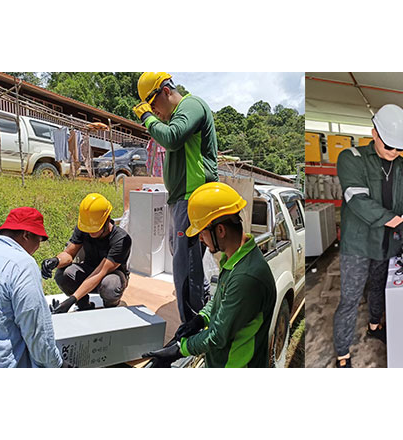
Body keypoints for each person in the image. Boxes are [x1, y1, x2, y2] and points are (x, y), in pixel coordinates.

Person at [333, 104, 403, 368]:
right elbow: (358, 199)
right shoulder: (351, 158)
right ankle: (342, 351)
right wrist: (400, 223)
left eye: (399, 148)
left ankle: (375, 325)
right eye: (389, 146)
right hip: (358, 243)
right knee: (351, 298)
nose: (394, 153)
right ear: (374, 133)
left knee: (378, 287)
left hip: (387, 244)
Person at [142, 182, 277, 368]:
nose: (199, 239)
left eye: (202, 232)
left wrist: (179, 349)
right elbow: (222, 300)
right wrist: (201, 318)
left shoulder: (246, 277)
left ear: (220, 230)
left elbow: (217, 336)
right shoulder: (235, 258)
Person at [133, 72, 219, 324]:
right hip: (181, 199)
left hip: (193, 199)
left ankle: (191, 329)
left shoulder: (191, 106)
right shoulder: (175, 116)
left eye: (152, 105)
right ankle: (200, 311)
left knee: (185, 268)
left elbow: (172, 138)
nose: (154, 112)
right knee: (186, 261)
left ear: (165, 91)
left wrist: (146, 118)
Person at [0, 207, 66, 368]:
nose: (38, 247)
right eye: (39, 240)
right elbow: (37, 332)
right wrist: (57, 365)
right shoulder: (22, 264)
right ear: (26, 235)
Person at [41, 193, 131, 313]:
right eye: (88, 230)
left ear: (107, 219)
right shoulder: (85, 227)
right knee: (63, 274)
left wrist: (71, 299)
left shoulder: (121, 239)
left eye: (94, 229)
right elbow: (69, 254)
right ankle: (84, 306)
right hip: (89, 269)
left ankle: (111, 308)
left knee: (110, 286)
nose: (90, 233)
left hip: (111, 275)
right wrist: (55, 261)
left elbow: (100, 272)